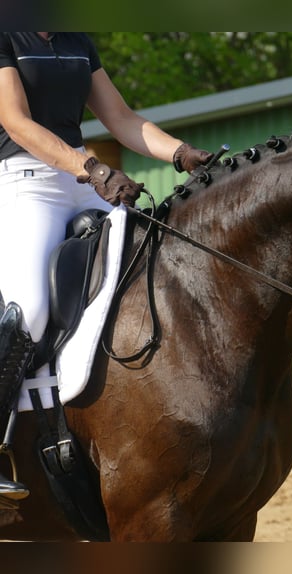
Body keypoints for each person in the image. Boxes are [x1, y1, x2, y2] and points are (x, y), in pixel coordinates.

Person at [0, 32, 213, 500]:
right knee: (30, 308)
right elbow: (16, 122)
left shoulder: (78, 40)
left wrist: (180, 153)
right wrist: (93, 168)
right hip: (24, 181)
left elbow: (120, 118)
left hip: (81, 179)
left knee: (147, 270)